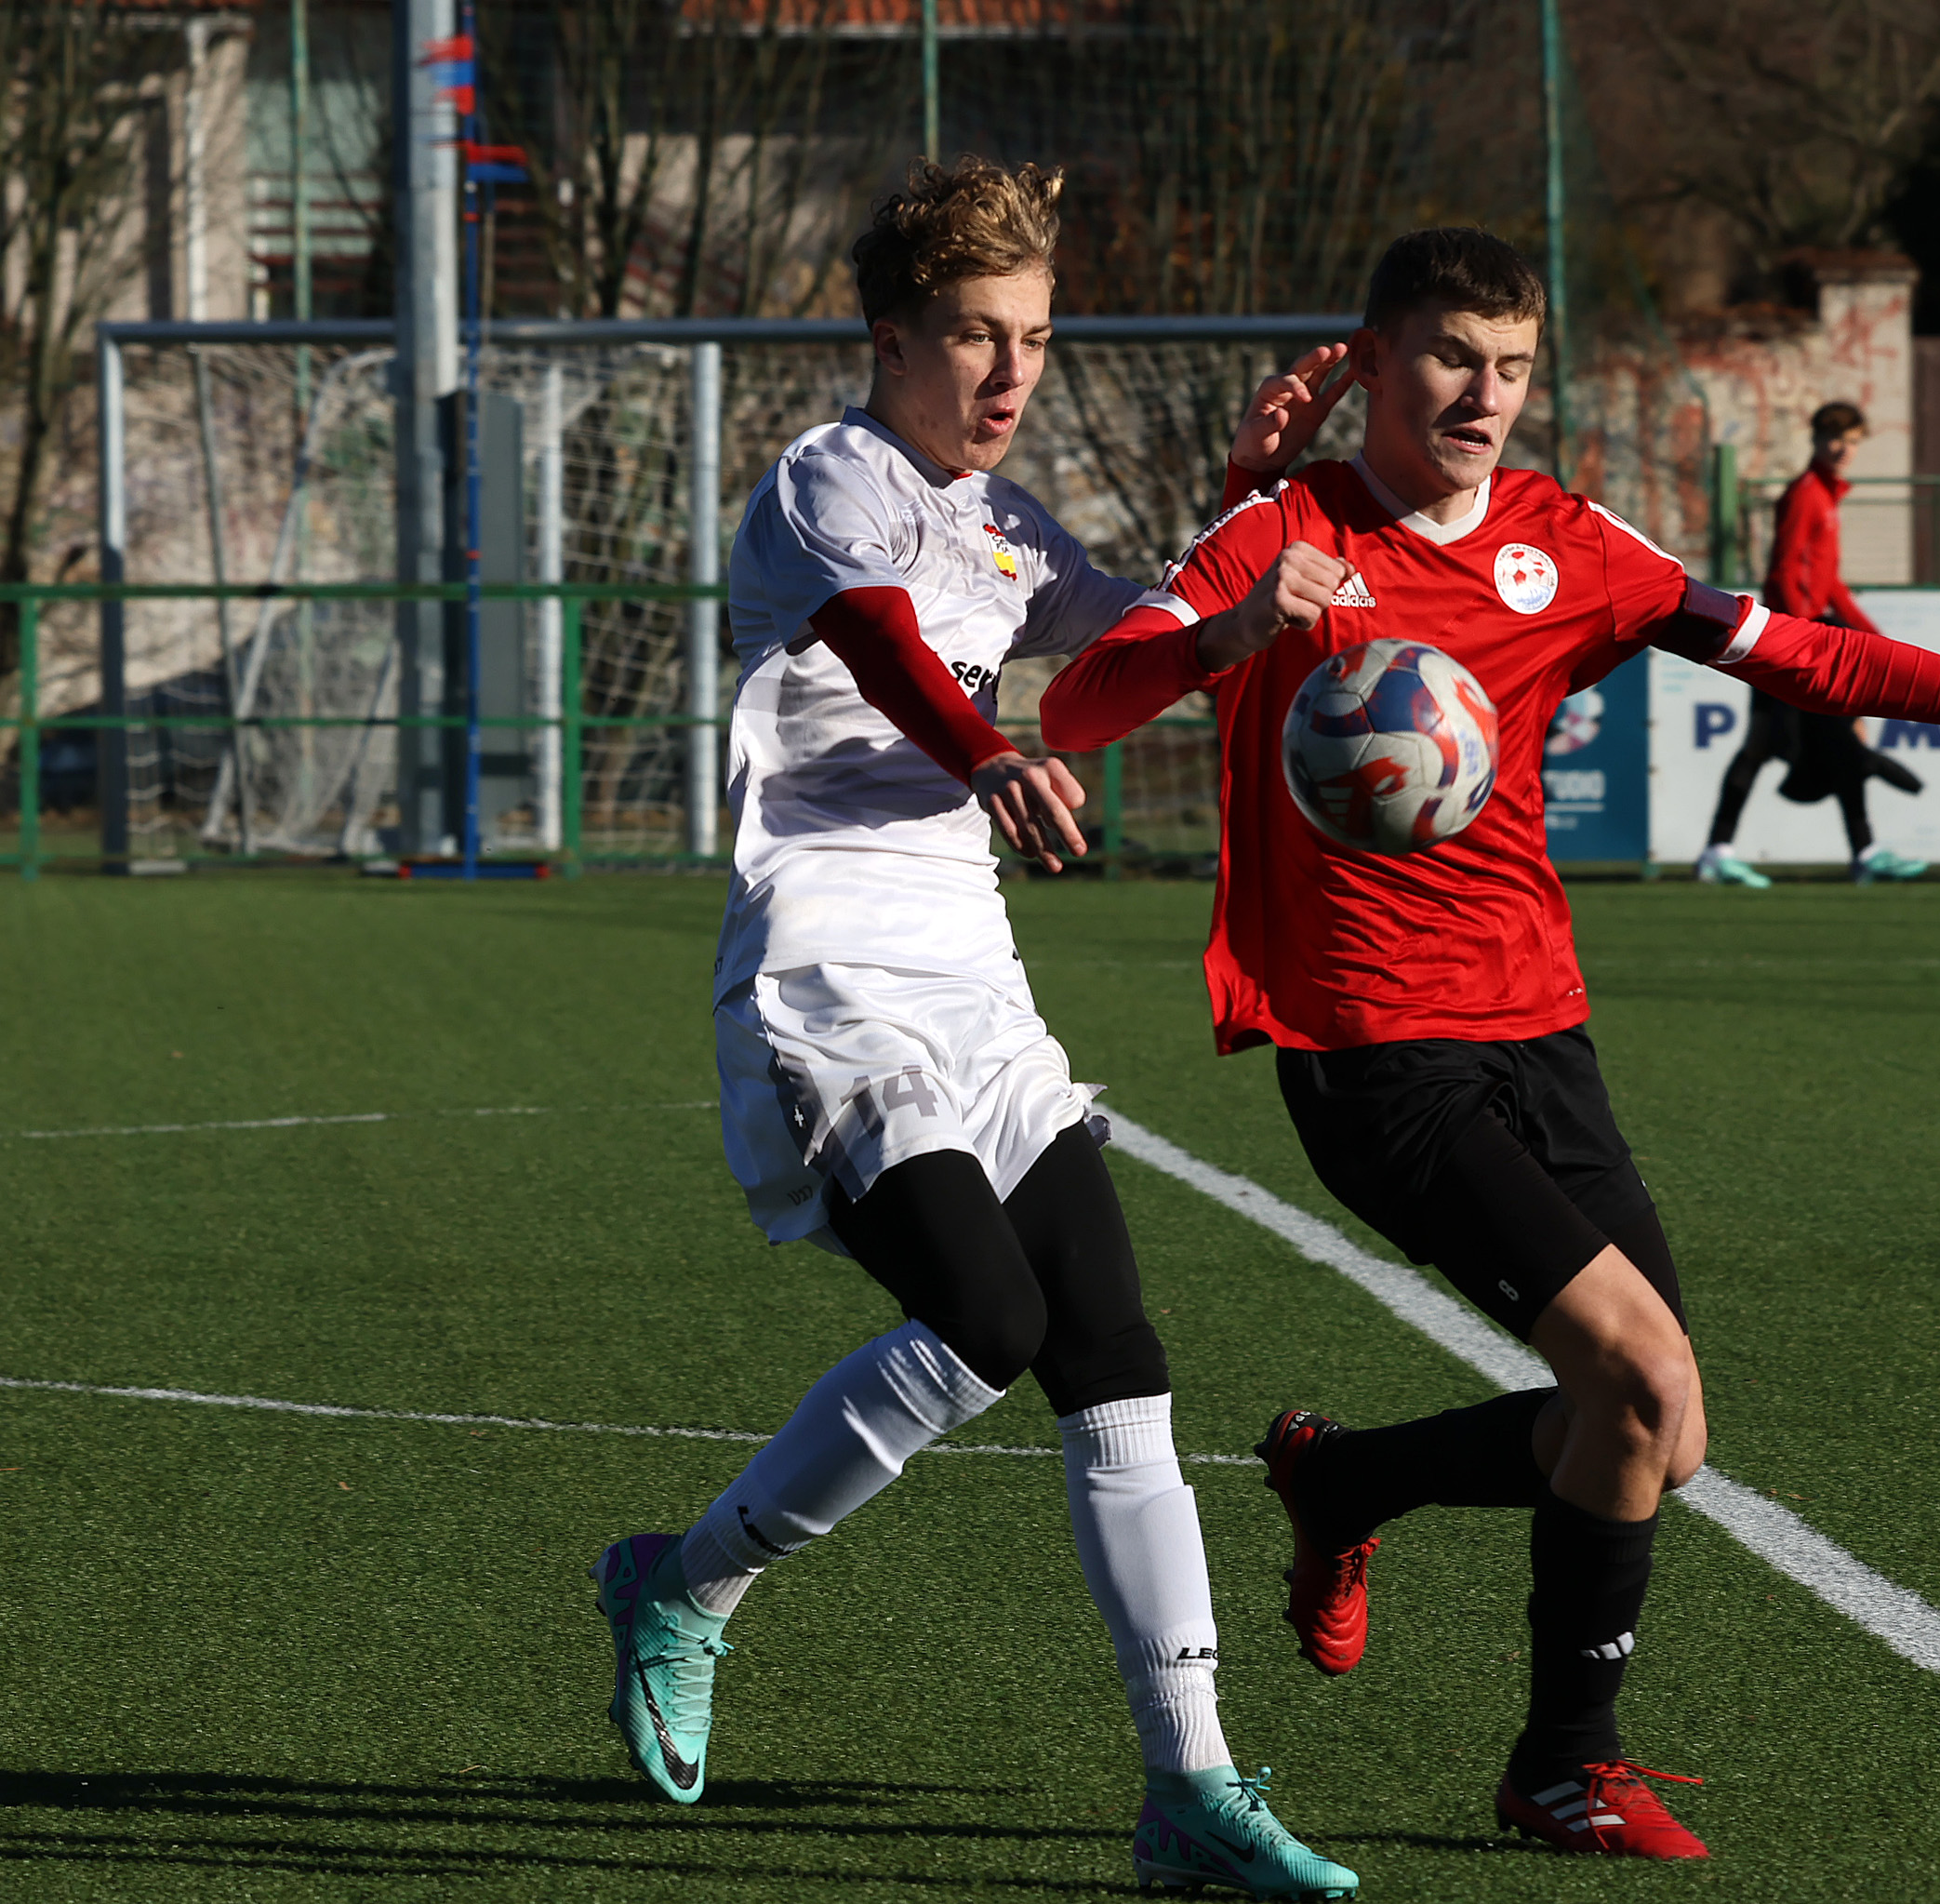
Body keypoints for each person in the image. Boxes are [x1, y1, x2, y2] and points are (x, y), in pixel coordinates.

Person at [1039, 227, 1940, 1862]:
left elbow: (1799, 647)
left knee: (1663, 1430)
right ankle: (1561, 1767)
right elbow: (1076, 707)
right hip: (1374, 1047)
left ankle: (1351, 1481)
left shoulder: (1564, 541)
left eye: (1512, 367)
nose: (1483, 395)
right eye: (1451, 357)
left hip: (1542, 1027)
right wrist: (1223, 636)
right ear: (1372, 361)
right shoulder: (1278, 529)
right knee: (1639, 1382)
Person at [585, 156, 1357, 1902]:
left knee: (1114, 1354)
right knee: (986, 1318)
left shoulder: (1011, 526)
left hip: (978, 986)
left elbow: (1132, 646)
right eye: (974, 335)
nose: (1011, 372)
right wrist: (990, 747)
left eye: (1034, 338)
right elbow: (882, 649)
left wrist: (1251, 532)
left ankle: (1189, 1786)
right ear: (891, 339)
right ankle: (686, 1585)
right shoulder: (826, 481)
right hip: (828, 975)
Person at [1694, 400, 1933, 887]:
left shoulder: (1826, 495)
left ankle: (1724, 852)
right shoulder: (1806, 494)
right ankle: (1859, 853)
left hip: (1796, 633)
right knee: (1807, 743)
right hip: (1789, 638)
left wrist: (1871, 636)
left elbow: (1829, 583)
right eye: (1835, 438)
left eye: (1853, 440)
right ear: (1818, 440)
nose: (1844, 448)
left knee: (1781, 745)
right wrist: (1800, 637)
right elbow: (1783, 570)